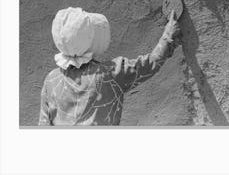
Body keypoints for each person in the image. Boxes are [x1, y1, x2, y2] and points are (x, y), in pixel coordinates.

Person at [39, 7, 180, 126]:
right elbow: (150, 64)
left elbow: (44, 125)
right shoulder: (110, 73)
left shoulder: (51, 80)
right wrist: (168, 36)